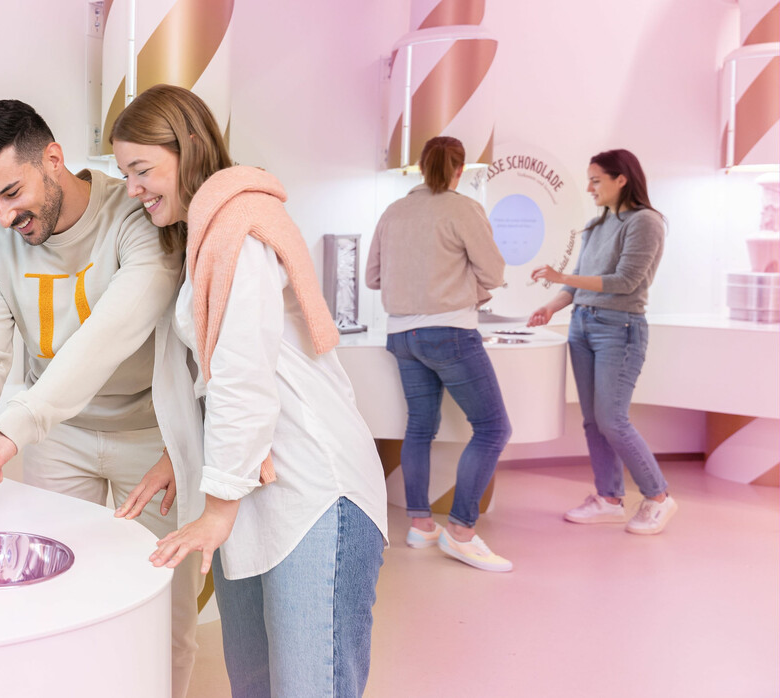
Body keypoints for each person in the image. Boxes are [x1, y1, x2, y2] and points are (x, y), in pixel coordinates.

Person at [110, 84, 388, 697]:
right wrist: (179, 456)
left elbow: (243, 378)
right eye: (125, 174)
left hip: (314, 489)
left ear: (188, 148)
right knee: (255, 685)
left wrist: (216, 509)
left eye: (142, 170)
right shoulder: (205, 234)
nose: (133, 188)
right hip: (253, 490)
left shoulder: (240, 228)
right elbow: (214, 379)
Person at [0, 99, 201, 697]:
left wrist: (8, 432)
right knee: (55, 602)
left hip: (153, 441)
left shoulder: (135, 216)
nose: (3, 216)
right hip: (59, 439)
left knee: (164, 612)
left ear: (53, 158)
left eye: (12, 192)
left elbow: (109, 334)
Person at [365, 136, 514, 573]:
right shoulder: (463, 209)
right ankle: (461, 532)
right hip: (449, 331)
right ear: (458, 170)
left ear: (420, 166)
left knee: (419, 427)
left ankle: (421, 525)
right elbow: (495, 272)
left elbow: (373, 277)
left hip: (402, 335)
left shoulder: (394, 211)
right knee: (493, 428)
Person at [528, 148, 674, 534]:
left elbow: (625, 282)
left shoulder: (646, 222)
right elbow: (579, 284)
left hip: (619, 328)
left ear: (621, 179)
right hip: (582, 325)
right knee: (594, 421)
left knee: (612, 419)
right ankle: (609, 499)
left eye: (596, 180)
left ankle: (659, 497)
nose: (590, 188)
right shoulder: (596, 226)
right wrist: (551, 306)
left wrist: (563, 278)